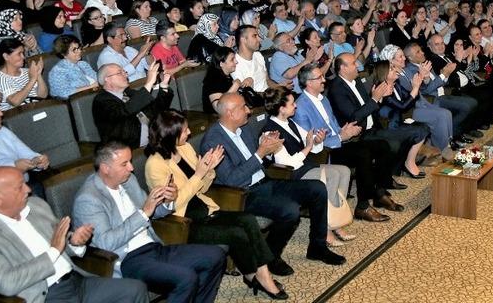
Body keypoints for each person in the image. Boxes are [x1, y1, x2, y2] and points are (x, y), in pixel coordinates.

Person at [144, 111, 287, 300]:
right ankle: (257, 276)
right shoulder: (155, 164)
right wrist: (199, 174)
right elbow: (173, 203)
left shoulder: (184, 148)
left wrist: (209, 170)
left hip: (205, 208)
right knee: (237, 233)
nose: (189, 133)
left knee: (248, 220)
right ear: (171, 135)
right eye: (184, 130)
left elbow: (203, 188)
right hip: (185, 222)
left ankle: (260, 274)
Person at [200, 93, 346, 276]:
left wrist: (268, 148)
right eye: (243, 107)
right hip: (243, 194)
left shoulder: (243, 129)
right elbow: (231, 180)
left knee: (317, 188)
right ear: (230, 113)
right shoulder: (213, 141)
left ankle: (317, 247)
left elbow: (262, 159)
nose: (248, 110)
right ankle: (270, 257)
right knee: (289, 210)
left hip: (265, 181)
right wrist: (261, 153)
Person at [0, 166, 149, 303]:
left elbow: (61, 242)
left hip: (77, 281)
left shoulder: (36, 206)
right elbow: (7, 283)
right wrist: (53, 251)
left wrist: (75, 242)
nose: (28, 190)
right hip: (45, 295)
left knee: (135, 289)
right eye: (20, 187)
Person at [72, 142, 226, 303]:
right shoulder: (89, 199)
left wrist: (167, 201)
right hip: (128, 259)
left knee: (216, 255)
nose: (131, 168)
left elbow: (151, 212)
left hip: (154, 247)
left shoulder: (128, 180)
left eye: (130, 161)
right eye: (124, 164)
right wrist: (143, 212)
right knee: (186, 278)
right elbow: (106, 243)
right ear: (105, 168)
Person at [294, 64, 397, 223]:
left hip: (339, 142)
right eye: (319, 78)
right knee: (363, 154)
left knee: (381, 145)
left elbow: (334, 126)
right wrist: (342, 137)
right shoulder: (301, 107)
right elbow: (311, 142)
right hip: (324, 152)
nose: (324, 80)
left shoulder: (323, 99)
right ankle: (362, 206)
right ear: (308, 83)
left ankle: (379, 193)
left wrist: (346, 130)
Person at [260, 88, 356, 246]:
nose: (295, 106)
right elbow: (288, 163)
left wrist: (317, 141)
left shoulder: (290, 122)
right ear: (282, 108)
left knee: (343, 172)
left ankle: (336, 220)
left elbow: (310, 141)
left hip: (305, 166)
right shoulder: (270, 132)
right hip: (290, 175)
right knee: (331, 177)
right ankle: (325, 229)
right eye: (292, 104)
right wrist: (308, 147)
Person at [330, 53, 428, 178]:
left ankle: (395, 172)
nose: (358, 65)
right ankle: (391, 174)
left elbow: (370, 107)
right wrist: (376, 98)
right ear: (343, 68)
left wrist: (378, 99)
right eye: (354, 63)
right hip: (358, 133)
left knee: (415, 132)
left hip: (375, 125)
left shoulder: (357, 81)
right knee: (397, 140)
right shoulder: (337, 88)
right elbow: (354, 117)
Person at [92, 62, 173, 148]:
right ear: (107, 79)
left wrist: (164, 85)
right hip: (126, 149)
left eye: (124, 72)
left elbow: (156, 110)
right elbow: (125, 111)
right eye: (120, 73)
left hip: (154, 140)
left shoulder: (129, 93)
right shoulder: (101, 101)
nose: (126, 75)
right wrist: (149, 83)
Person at [0, 38, 48, 111]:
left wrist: (38, 75)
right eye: (19, 54)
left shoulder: (27, 71)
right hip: (16, 116)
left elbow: (43, 95)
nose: (23, 57)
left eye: (23, 53)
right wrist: (32, 79)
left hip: (36, 110)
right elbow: (15, 102)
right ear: (6, 56)